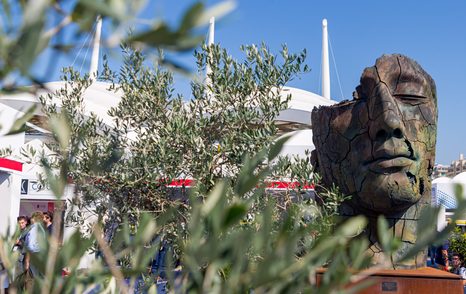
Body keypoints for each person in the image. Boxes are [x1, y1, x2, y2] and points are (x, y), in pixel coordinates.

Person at [23, 212, 46, 280]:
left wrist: (27, 261)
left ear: (34, 218)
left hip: (33, 256)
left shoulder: (33, 229)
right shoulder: (41, 229)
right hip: (40, 256)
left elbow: (30, 247)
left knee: (32, 278)